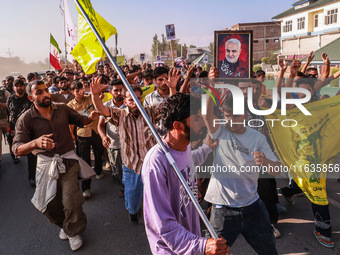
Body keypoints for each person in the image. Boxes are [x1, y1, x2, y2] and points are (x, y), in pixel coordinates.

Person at [12, 80, 100, 251]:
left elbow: (81, 120)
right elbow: (16, 149)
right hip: (45, 165)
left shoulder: (62, 108)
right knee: (50, 205)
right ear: (31, 97)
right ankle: (65, 227)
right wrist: (35, 143)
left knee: (70, 200)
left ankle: (73, 232)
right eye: (39, 92)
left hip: (68, 161)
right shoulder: (26, 118)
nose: (45, 94)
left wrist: (90, 118)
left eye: (46, 90)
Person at [202, 67, 280, 254]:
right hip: (222, 209)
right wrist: (211, 87)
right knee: (214, 251)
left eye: (236, 116)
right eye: (227, 116)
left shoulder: (258, 139)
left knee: (269, 249)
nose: (231, 121)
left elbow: (276, 169)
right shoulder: (220, 130)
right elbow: (206, 114)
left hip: (253, 206)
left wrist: (266, 162)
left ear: (246, 115)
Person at [142, 93, 229, 255]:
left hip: (191, 240)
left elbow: (190, 160)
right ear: (178, 126)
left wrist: (207, 148)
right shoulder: (156, 162)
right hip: (171, 249)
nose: (203, 123)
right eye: (197, 119)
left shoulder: (185, 146)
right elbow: (164, 225)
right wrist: (203, 246)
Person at [91, 70, 180, 224]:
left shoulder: (150, 112)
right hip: (131, 165)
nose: (135, 103)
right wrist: (94, 95)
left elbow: (169, 105)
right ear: (125, 101)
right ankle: (133, 212)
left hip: (151, 164)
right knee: (132, 196)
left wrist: (172, 88)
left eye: (138, 99)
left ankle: (154, 218)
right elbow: (102, 110)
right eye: (131, 100)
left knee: (155, 195)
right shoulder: (120, 115)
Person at [67, 81, 104, 198]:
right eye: (77, 91)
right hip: (82, 134)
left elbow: (99, 97)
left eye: (81, 90)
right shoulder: (70, 105)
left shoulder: (90, 98)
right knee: (84, 161)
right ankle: (86, 188)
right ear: (73, 92)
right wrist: (71, 135)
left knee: (99, 152)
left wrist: (97, 92)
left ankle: (98, 170)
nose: (80, 93)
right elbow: (70, 122)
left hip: (95, 130)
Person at [97, 79, 126, 198]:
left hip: (130, 144)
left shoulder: (131, 103)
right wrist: (104, 137)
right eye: (116, 90)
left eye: (121, 90)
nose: (119, 93)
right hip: (114, 145)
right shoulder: (106, 106)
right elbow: (100, 125)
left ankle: (130, 193)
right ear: (111, 92)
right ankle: (123, 187)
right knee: (118, 171)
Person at [6, 79, 33, 165]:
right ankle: (14, 156)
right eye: (16, 86)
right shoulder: (10, 99)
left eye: (21, 85)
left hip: (29, 125)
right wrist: (9, 128)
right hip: (15, 126)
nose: (19, 87)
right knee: (14, 143)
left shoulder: (29, 98)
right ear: (13, 88)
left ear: (24, 87)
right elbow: (8, 113)